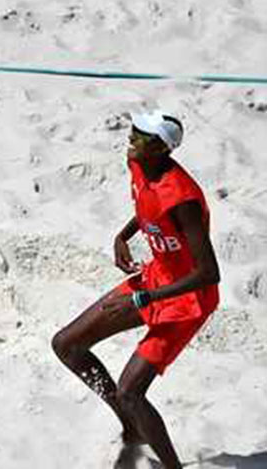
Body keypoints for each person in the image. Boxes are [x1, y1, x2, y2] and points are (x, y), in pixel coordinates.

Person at [52, 111, 220, 468]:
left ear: (161, 147)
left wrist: (145, 297)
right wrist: (123, 235)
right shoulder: (140, 163)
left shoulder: (183, 198)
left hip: (188, 299)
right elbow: (149, 207)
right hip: (157, 277)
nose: (132, 137)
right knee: (67, 345)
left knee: (131, 390)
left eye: (141, 134)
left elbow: (209, 273)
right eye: (134, 129)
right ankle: (132, 425)